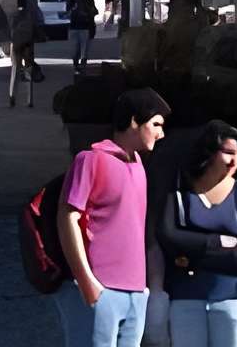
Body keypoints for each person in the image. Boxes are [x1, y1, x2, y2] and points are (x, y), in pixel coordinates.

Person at [57, 87, 167, 347]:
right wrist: (87, 283)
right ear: (133, 122)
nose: (161, 133)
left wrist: (145, 289)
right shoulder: (90, 159)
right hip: (101, 288)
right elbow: (68, 218)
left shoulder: (138, 164)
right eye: (156, 124)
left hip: (136, 293)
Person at [152, 121, 237, 346]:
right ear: (209, 153)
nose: (235, 160)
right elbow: (167, 236)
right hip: (185, 301)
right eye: (228, 152)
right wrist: (217, 242)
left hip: (233, 300)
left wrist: (188, 257)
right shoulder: (180, 196)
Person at [9, 0, 44, 108]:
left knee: (15, 70)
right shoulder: (30, 15)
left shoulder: (14, 14)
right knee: (28, 71)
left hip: (16, 44)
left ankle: (12, 95)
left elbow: (11, 30)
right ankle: (29, 100)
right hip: (28, 44)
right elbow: (36, 28)